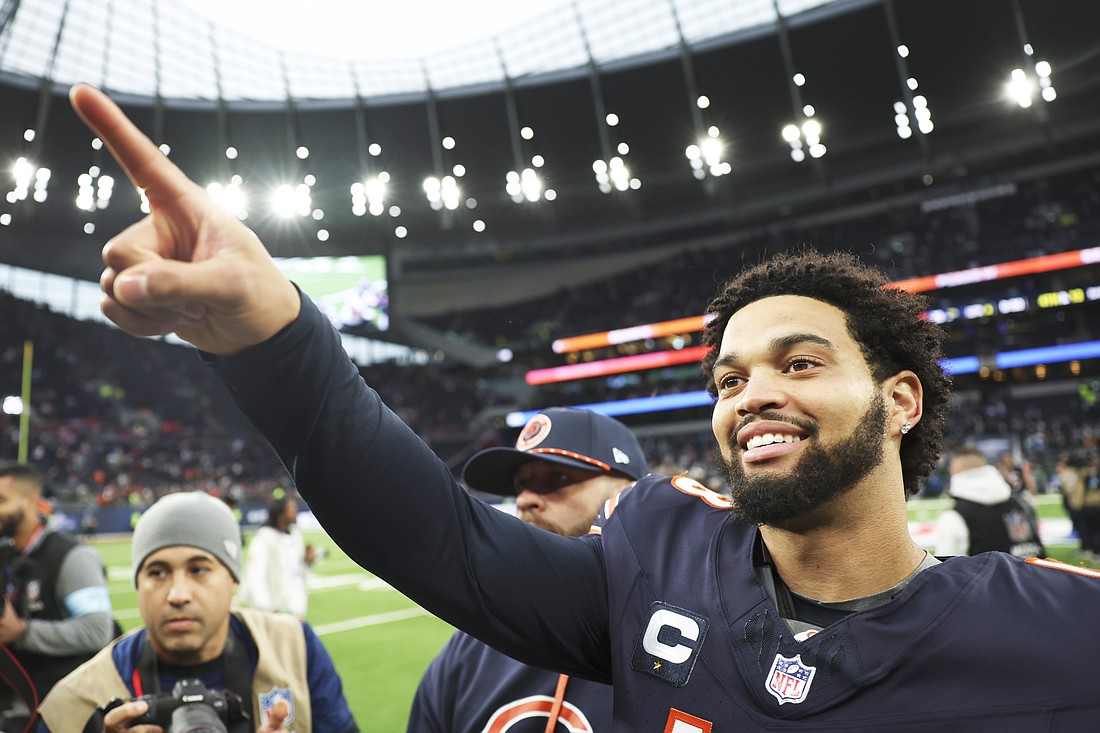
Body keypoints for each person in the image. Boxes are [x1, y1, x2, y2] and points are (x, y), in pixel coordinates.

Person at [70, 84, 1100, 730]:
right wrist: (274, 334)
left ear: (899, 396)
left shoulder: (1060, 627)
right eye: (729, 378)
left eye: (796, 361)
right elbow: (431, 530)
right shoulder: (659, 564)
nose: (753, 396)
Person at [407, 407, 648, 733]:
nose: (525, 500)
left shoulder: (676, 638)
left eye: (557, 478)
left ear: (630, 494)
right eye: (521, 484)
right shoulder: (469, 647)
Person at [37, 492, 357, 733]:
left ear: (233, 580)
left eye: (199, 569)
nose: (178, 595)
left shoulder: (296, 649)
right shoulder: (73, 703)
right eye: (158, 573)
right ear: (138, 584)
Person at [0, 462, 115, 732]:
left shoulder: (72, 557)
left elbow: (98, 630)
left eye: (2, 500)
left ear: (30, 502)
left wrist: (23, 632)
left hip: (62, 713)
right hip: (15, 701)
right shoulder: (7, 556)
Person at [933, 446, 1044, 558]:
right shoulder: (1022, 504)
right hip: (1033, 574)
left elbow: (946, 571)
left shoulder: (955, 516)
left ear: (954, 471)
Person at [240, 491, 310, 617]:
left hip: (297, 607)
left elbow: (298, 571)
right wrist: (266, 608)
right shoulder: (264, 538)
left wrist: (308, 562)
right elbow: (255, 575)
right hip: (275, 611)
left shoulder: (295, 536)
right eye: (291, 509)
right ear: (280, 512)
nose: (295, 512)